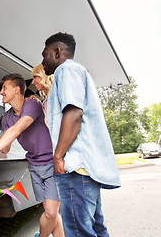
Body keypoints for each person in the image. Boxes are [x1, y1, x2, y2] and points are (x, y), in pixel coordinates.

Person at [41, 32, 121, 236]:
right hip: (87, 170)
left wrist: (58, 156)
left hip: (76, 168)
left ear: (57, 52)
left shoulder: (66, 70)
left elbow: (74, 113)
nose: (42, 61)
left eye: (45, 54)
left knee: (79, 232)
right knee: (96, 228)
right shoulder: (78, 71)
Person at [0, 74, 64, 237]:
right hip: (34, 166)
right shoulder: (7, 117)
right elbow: (5, 149)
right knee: (50, 212)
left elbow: (16, 129)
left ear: (16, 89)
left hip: (51, 163)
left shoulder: (32, 104)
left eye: (4, 88)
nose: (1, 92)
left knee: (51, 213)